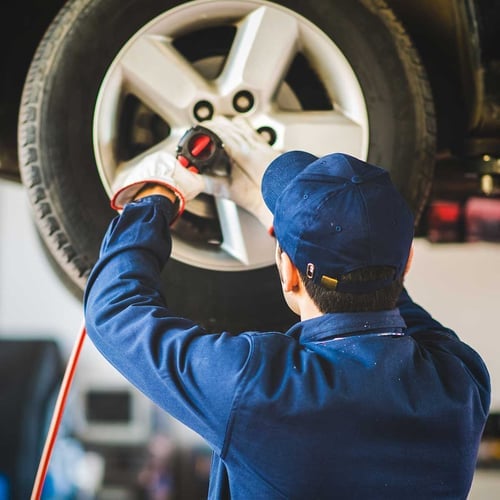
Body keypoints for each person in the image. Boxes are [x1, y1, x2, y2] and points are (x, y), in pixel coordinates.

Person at [84, 117, 490, 499]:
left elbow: (115, 313)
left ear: (289, 272)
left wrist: (156, 196)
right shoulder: (461, 382)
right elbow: (386, 297)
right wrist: (289, 233)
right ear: (407, 263)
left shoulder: (259, 389)